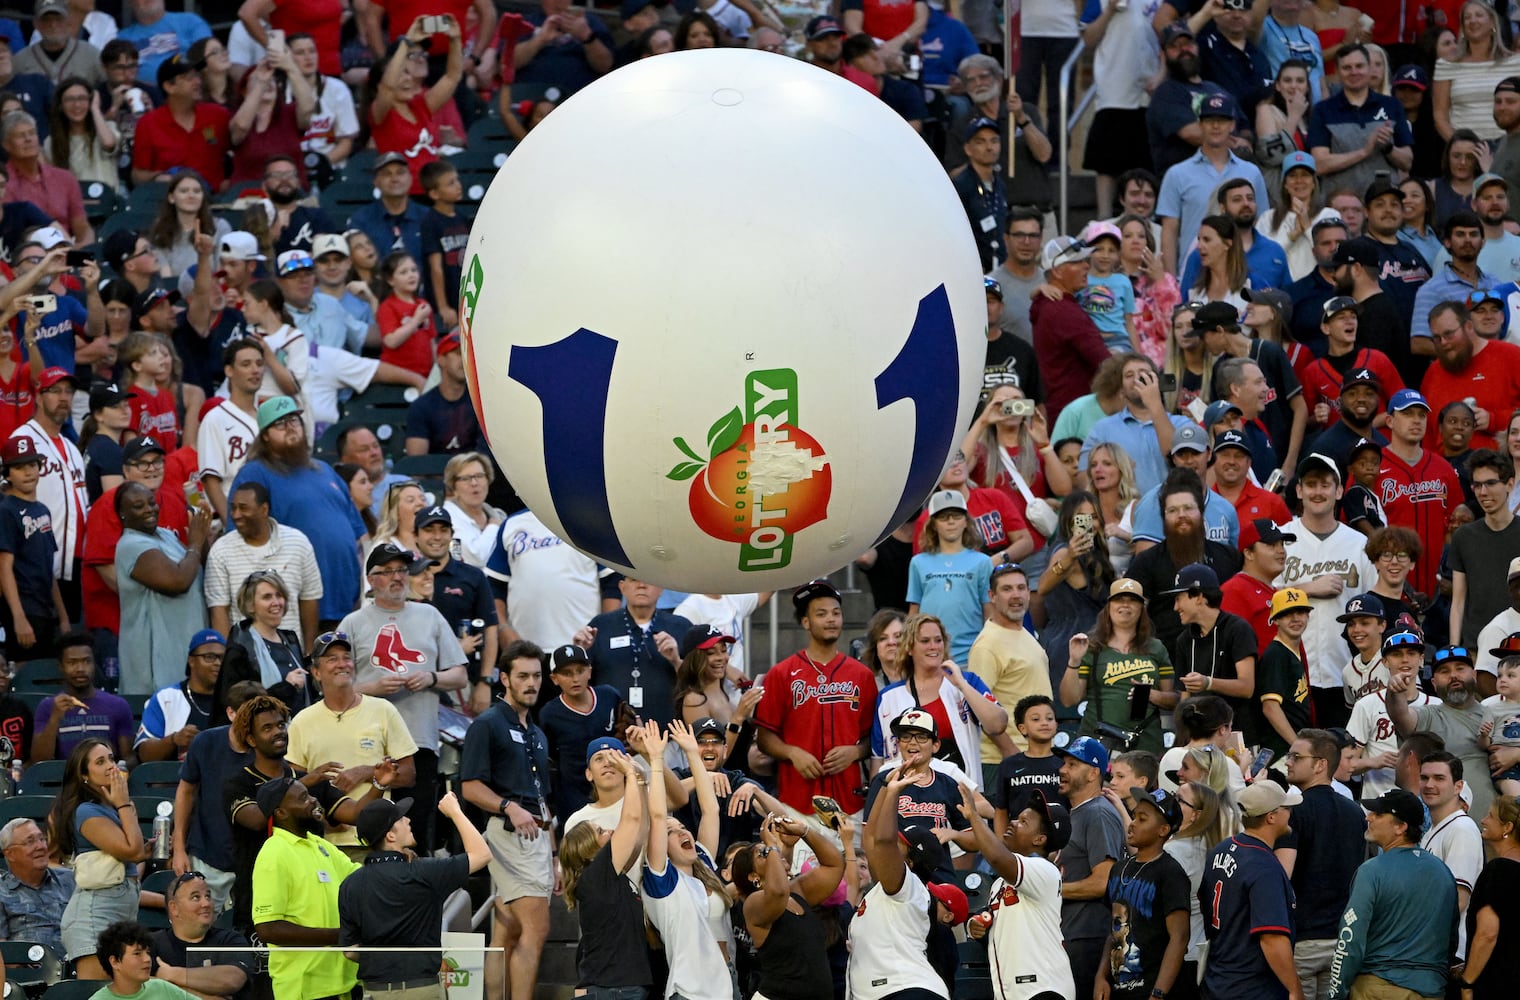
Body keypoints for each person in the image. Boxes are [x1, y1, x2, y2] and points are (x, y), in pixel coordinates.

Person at [345, 541, 468, 848]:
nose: (397, 577)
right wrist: (373, 688)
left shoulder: (429, 615)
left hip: (419, 741)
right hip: (367, 744)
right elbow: (334, 689)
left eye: (401, 570)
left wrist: (431, 677)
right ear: (371, 580)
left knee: (416, 831)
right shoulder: (353, 623)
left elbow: (460, 675)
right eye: (386, 572)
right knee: (369, 831)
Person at [460, 639, 554, 1000]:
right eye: (523, 676)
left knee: (506, 933)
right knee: (537, 927)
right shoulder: (487, 724)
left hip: (537, 837)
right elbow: (469, 787)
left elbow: (542, 798)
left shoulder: (537, 731)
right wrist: (507, 807)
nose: (531, 683)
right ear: (505, 678)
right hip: (509, 833)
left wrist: (555, 854)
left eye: (537, 675)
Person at [229, 396, 368, 628]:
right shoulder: (254, 474)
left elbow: (357, 536)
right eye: (280, 423)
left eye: (294, 420)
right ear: (265, 436)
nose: (290, 427)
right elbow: (240, 541)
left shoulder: (324, 470)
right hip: (293, 609)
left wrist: (361, 591)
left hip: (346, 603)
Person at [338, 791, 490, 999]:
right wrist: (455, 812)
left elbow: (350, 951)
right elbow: (482, 855)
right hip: (422, 990)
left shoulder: (350, 884)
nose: (408, 819)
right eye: (401, 818)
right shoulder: (424, 872)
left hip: (374, 992)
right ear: (390, 835)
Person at [753, 579, 878, 823]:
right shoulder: (781, 673)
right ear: (806, 622)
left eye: (836, 613)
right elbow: (765, 737)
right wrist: (791, 752)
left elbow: (873, 738)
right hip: (797, 804)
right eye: (821, 614)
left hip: (849, 805)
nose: (831, 619)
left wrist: (855, 751)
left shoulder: (861, 675)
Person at [286, 630, 419, 858]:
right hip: (325, 845)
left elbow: (409, 775)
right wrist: (321, 817)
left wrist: (368, 773)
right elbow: (294, 787)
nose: (342, 664)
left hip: (380, 840)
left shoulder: (383, 710)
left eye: (346, 657)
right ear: (316, 672)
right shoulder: (301, 721)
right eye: (332, 659)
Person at [1324, 788, 1458, 1000]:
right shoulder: (1443, 872)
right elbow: (1450, 938)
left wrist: (1335, 993)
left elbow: (1350, 937)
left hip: (1376, 987)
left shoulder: (1372, 871)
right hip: (1429, 989)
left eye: (1378, 814)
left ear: (1401, 827)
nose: (1369, 817)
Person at [848, 762, 966, 1000]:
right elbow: (871, 834)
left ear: (910, 862)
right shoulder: (886, 886)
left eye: (899, 845)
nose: (892, 846)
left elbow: (881, 841)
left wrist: (893, 793)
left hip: (907, 990)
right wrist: (883, 786)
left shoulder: (905, 886)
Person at [1278, 454, 1378, 727]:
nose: (1318, 492)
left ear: (1339, 490)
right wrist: (1307, 589)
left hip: (1346, 671)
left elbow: (1376, 606)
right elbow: (1263, 599)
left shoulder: (1359, 544)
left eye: (1325, 484)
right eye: (1311, 484)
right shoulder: (1281, 539)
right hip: (1292, 673)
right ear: (1299, 490)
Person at [251, 774, 362, 1000]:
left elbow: (360, 879)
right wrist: (339, 936)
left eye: (309, 794)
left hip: (343, 984)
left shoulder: (319, 844)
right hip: (305, 989)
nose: (313, 800)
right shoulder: (274, 853)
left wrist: (394, 862)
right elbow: (268, 928)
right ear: (280, 813)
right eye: (303, 798)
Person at [556, 736, 651, 998]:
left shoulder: (606, 876)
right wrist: (631, 771)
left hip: (615, 985)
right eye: (601, 831)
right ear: (588, 849)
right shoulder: (598, 874)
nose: (610, 831)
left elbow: (639, 833)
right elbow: (631, 821)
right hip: (611, 989)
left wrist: (640, 783)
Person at [1277, 728, 1368, 1000]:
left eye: (1296, 756)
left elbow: (1281, 876)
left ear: (1320, 764)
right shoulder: (1356, 812)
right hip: (1343, 939)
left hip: (1303, 939)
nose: (1288, 762)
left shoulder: (1293, 810)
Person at [872, 614, 1011, 783]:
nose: (933, 647)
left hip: (963, 792)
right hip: (907, 799)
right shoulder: (888, 697)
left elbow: (998, 725)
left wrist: (962, 685)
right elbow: (877, 759)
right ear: (909, 648)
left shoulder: (967, 682)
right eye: (925, 641)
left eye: (938, 640)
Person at [49, 738, 145, 980]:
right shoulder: (86, 811)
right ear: (84, 775)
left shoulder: (110, 807)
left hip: (118, 915)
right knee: (98, 993)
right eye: (100, 762)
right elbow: (134, 851)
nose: (111, 765)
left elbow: (135, 853)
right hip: (93, 917)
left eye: (112, 758)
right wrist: (124, 803)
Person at [1199, 780, 1303, 1000]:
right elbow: (1272, 939)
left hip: (1217, 980)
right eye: (1286, 808)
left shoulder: (1221, 849)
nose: (1291, 812)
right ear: (1271, 817)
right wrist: (1295, 990)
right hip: (1252, 988)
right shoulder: (1264, 867)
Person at [731, 802, 845, 1000]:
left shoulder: (796, 891)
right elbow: (777, 893)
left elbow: (834, 865)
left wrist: (805, 831)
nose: (771, 852)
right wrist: (773, 846)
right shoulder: (753, 903)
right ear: (752, 876)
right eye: (763, 853)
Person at [169, 679, 262, 916]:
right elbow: (185, 792)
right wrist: (179, 848)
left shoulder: (268, 748)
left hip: (256, 861)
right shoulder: (206, 742)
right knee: (203, 927)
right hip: (207, 856)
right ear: (230, 712)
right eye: (247, 714)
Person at [114, 482, 210, 696]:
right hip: (155, 662)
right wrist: (194, 543)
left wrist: (203, 535)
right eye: (138, 506)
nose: (149, 509)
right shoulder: (131, 544)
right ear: (122, 513)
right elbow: (177, 582)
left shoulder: (165, 535)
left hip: (184, 647)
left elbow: (197, 566)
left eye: (151, 502)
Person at [1061, 578, 1177, 754]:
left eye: (1132, 600)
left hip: (1145, 743)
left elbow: (1173, 699)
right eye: (1119, 599)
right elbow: (1069, 699)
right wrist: (1074, 661)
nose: (1125, 605)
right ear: (1108, 606)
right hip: (1099, 741)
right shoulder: (1092, 647)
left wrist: (1152, 695)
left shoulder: (1156, 648)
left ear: (1141, 608)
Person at [1387, 637, 1497, 820]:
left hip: (1499, 829)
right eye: (1444, 671)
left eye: (1460, 669)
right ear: (1434, 683)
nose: (1453, 675)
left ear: (1475, 676)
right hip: (1448, 829)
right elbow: (1401, 716)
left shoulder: (1495, 713)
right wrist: (1394, 692)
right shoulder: (1429, 716)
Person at [1097, 786, 1191, 1000]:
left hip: (1152, 987)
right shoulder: (1119, 869)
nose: (1132, 824)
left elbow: (1180, 937)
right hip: (1119, 987)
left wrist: (1158, 992)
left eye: (1142, 819)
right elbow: (1114, 929)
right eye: (1134, 816)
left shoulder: (1170, 873)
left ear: (1163, 830)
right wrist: (1101, 976)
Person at [1054, 735, 1128, 998]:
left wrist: (1050, 890)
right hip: (1072, 933)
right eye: (1064, 763)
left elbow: (1102, 882)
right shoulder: (1078, 812)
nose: (1062, 770)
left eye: (1073, 764)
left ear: (1093, 773)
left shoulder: (1097, 813)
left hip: (1088, 938)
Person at [204, 481, 321, 647]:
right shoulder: (221, 550)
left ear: (264, 510)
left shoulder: (298, 543)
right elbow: (219, 612)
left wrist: (308, 653)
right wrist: (228, 662)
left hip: (291, 655)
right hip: (245, 660)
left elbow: (309, 599)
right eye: (233, 508)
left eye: (243, 508)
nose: (236, 515)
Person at [570, 575, 692, 730]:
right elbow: (579, 683)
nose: (641, 585)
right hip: (611, 734)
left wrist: (676, 661)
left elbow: (698, 683)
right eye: (634, 579)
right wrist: (579, 653)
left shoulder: (680, 626)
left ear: (661, 588)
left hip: (669, 732)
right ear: (622, 587)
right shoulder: (601, 625)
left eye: (648, 580)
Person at [968, 562, 1052, 782]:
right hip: (1002, 762)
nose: (1016, 595)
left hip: (1034, 755)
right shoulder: (987, 645)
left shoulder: (1024, 632)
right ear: (992, 596)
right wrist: (1011, 752)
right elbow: (978, 709)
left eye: (1021, 588)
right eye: (1007, 589)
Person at [1377, 389, 1463, 599]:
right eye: (1407, 414)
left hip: (1439, 591)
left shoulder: (1443, 469)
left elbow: (1457, 525)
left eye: (1421, 415)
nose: (1416, 420)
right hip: (1388, 588)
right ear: (1389, 421)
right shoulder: (1372, 467)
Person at [1309, 45, 1414, 196]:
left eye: (1359, 66)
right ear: (1337, 73)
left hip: (1383, 203)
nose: (1354, 72)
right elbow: (1319, 164)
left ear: (1369, 69)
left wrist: (1389, 148)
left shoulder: (1392, 105)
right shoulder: (1323, 110)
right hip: (1341, 205)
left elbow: (1407, 162)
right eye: (1346, 68)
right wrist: (1363, 152)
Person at [1032, 235, 1113, 423]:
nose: (1086, 266)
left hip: (1062, 411)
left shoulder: (1045, 303)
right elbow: (1105, 363)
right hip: (1076, 416)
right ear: (1057, 271)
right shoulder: (1064, 311)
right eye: (1077, 262)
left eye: (1085, 260)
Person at [213, 569, 312, 717]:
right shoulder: (241, 644)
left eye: (279, 595)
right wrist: (286, 687)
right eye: (267, 597)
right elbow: (237, 703)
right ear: (250, 605)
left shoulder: (290, 639)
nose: (276, 602)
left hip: (299, 730)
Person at [30, 632, 133, 763]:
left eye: (86, 661)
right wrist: (55, 718)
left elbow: (129, 758)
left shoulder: (118, 705)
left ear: (94, 664)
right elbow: (39, 760)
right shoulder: (48, 707)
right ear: (61, 667)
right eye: (72, 662)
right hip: (63, 780)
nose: (80, 669)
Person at [149, 870, 250, 998]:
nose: (206, 903)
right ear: (174, 908)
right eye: (196, 897)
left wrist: (172, 975)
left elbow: (232, 979)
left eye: (208, 896)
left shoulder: (230, 939)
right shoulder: (151, 943)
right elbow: (142, 988)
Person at [134, 629, 224, 763]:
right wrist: (174, 740)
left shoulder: (232, 698)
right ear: (191, 660)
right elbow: (145, 755)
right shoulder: (166, 698)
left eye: (222, 658)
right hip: (174, 780)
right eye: (209, 657)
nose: (218, 663)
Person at [1462, 795, 1520, 1000]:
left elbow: (1488, 933)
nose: (1483, 820)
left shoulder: (1498, 871)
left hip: (1494, 985)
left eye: (1491, 816)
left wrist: (1467, 982)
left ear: (1507, 827)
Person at [0, 817, 73, 957]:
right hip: (26, 973)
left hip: (74, 967)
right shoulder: (2, 892)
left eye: (42, 839)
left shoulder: (70, 880)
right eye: (30, 841)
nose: (40, 846)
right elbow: (1, 956)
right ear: (10, 854)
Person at [1253, 588, 1314, 756]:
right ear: (1276, 620)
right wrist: (1297, 746)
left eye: (1300, 612)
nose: (1295, 619)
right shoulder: (1276, 654)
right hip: (1280, 751)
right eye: (1287, 614)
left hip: (1289, 749)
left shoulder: (1292, 651)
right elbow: (1270, 707)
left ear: (1308, 615)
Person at [94, 920, 197, 1000]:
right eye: (137, 953)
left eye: (147, 952)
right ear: (114, 962)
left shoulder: (162, 987)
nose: (147, 959)